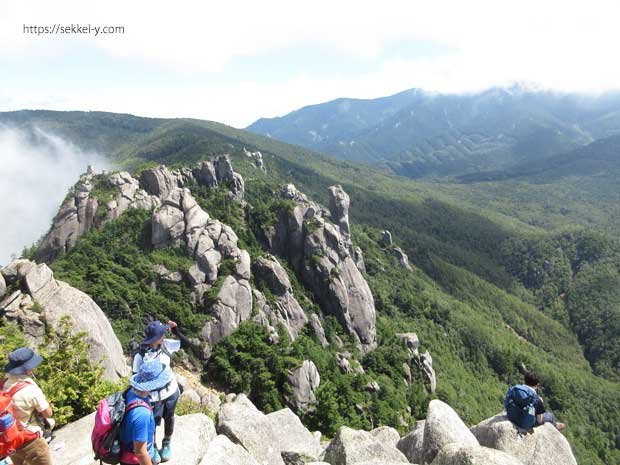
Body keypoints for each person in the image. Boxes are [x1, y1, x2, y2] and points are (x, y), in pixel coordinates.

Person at [132, 320, 189, 462]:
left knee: (169, 418)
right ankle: (153, 447)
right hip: (152, 397)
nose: (164, 334)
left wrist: (176, 331)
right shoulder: (140, 355)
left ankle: (166, 443)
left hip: (170, 391)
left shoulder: (166, 345)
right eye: (162, 333)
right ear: (155, 338)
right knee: (152, 424)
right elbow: (136, 379)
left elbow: (186, 344)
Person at [1, 348, 54, 465]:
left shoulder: (3, 384)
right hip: (31, 441)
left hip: (11, 441)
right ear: (27, 369)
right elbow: (48, 413)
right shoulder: (30, 389)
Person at [120, 359, 172, 465]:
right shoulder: (142, 414)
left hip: (128, 450)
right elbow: (140, 452)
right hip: (135, 461)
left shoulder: (131, 392)